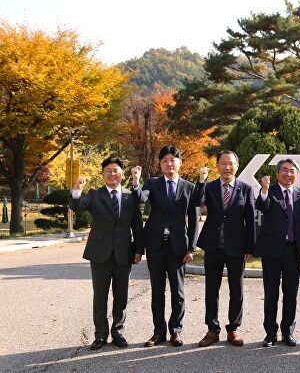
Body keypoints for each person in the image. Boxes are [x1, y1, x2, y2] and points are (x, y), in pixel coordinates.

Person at [70, 157, 144, 350]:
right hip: (99, 253)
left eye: (116, 170)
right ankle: (100, 335)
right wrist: (77, 189)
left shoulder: (130, 197)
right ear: (102, 174)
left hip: (124, 253)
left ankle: (118, 332)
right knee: (100, 296)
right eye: (108, 171)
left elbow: (137, 225)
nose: (112, 174)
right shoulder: (94, 195)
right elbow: (77, 206)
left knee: (122, 295)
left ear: (122, 174)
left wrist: (138, 250)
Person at [131, 145, 198, 348]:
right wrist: (136, 181)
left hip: (178, 246)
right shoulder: (152, 183)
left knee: (178, 291)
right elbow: (140, 198)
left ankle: (176, 330)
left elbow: (194, 219)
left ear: (180, 163)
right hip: (156, 245)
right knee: (157, 290)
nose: (169, 164)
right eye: (165, 161)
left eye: (172, 160)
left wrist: (191, 248)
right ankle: (158, 331)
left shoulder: (189, 187)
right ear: (160, 164)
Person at [195, 150, 255, 347]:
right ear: (217, 165)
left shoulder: (246, 189)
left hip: (236, 247)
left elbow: (250, 220)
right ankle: (212, 329)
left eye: (231, 164)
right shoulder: (209, 186)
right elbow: (197, 202)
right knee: (211, 289)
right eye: (223, 163)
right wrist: (201, 181)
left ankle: (233, 328)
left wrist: (249, 247)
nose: (227, 167)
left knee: (236, 289)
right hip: (213, 246)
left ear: (237, 166)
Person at [255, 159, 300, 347]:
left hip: (293, 250)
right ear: (278, 173)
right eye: (284, 170)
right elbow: (261, 206)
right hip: (271, 250)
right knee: (271, 292)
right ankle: (270, 333)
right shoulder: (269, 191)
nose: (288, 174)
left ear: (297, 174)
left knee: (291, 293)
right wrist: (264, 189)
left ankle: (288, 331)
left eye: (292, 170)